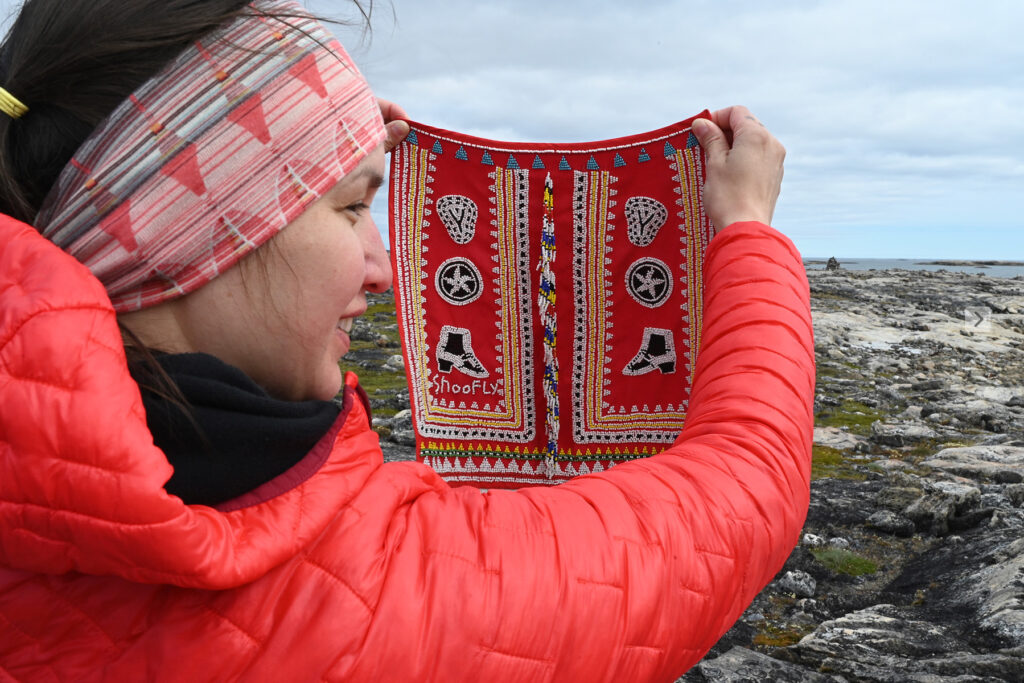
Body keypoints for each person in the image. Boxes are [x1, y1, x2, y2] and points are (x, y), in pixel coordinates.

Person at [0, 0, 810, 680]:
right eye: (354, 209)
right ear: (193, 237)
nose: (387, 267)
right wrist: (746, 234)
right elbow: (744, 483)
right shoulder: (370, 611)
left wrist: (327, 168)